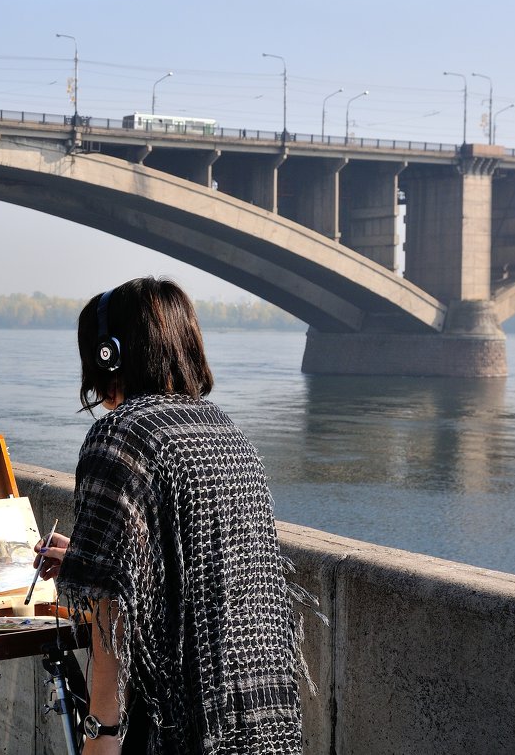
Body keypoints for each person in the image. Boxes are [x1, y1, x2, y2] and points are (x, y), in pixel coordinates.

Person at [34, 277, 303, 754]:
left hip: (178, 727)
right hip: (263, 721)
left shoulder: (121, 437)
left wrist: (101, 734)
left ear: (107, 356)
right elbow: (200, 571)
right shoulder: (228, 434)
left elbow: (111, 619)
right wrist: (93, 556)